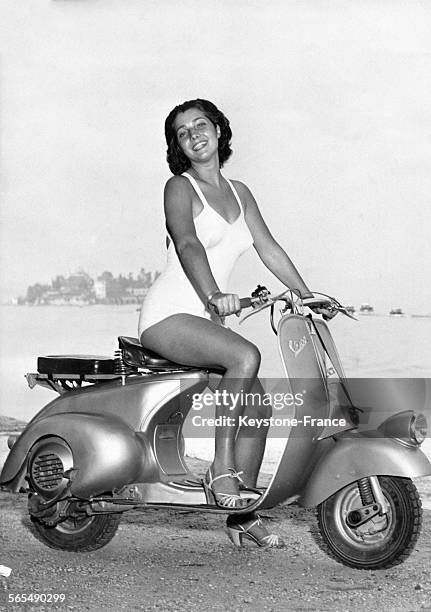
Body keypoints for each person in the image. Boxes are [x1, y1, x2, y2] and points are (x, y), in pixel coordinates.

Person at [139, 98, 335, 548]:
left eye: (200, 124)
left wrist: (307, 295)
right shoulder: (179, 187)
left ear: (219, 131)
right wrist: (212, 295)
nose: (193, 135)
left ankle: (242, 514)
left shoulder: (241, 192)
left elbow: (268, 247)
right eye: (182, 132)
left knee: (260, 410)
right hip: (171, 314)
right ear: (178, 146)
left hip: (209, 319)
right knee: (245, 354)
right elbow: (188, 244)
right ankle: (220, 469)